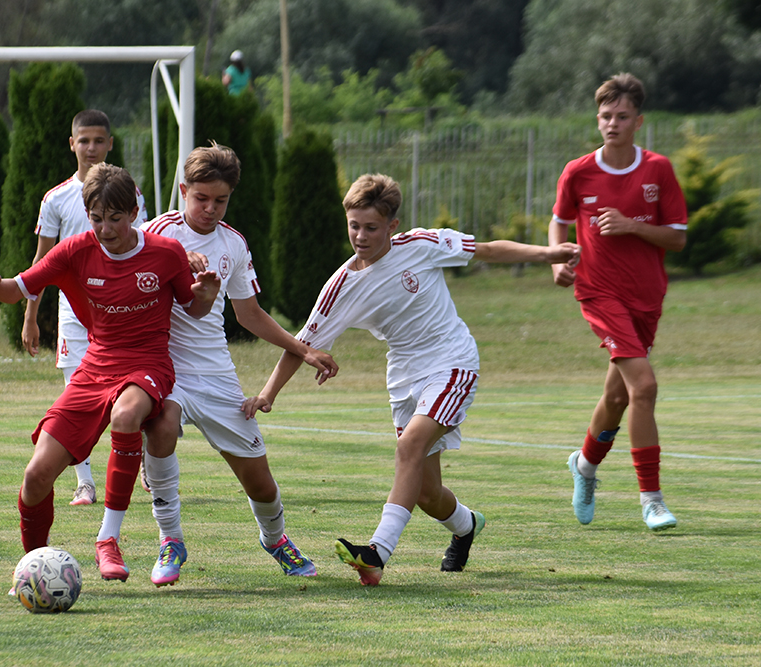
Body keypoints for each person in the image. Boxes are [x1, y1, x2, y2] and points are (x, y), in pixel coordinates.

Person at [242, 173, 581, 586]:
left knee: (409, 447)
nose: (360, 236)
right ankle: (467, 526)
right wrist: (268, 394)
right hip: (404, 377)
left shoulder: (421, 244)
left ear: (392, 225)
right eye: (354, 226)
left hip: (453, 362)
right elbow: (302, 345)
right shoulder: (341, 286)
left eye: (371, 227)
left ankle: (377, 552)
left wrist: (549, 253)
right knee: (426, 493)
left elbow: (488, 249)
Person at [0, 163, 220, 582]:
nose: (105, 228)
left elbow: (192, 308)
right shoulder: (75, 251)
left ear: (133, 213)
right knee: (35, 475)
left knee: (126, 415)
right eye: (97, 218)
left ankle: (107, 539)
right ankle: (36, 570)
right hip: (95, 367)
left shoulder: (165, 253)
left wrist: (205, 296)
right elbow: (14, 290)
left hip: (148, 364)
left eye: (115, 218)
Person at [138, 142, 338, 586]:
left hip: (216, 374)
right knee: (162, 425)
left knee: (260, 482)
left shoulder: (233, 243)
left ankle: (276, 539)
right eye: (201, 198)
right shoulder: (156, 234)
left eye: (221, 200)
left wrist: (303, 349)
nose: (210, 209)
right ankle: (170, 540)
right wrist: (173, 260)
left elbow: (249, 314)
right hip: (165, 369)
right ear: (183, 190)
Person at [548, 73, 687, 532]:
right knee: (643, 386)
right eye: (606, 116)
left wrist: (631, 225)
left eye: (622, 116)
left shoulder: (658, 170)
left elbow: (677, 238)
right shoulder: (578, 171)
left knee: (617, 395)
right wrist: (557, 259)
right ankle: (652, 501)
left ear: (638, 121)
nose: (613, 123)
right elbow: (559, 221)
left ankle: (584, 466)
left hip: (646, 296)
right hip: (598, 292)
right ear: (598, 119)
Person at [23, 109, 147, 507]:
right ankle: (85, 482)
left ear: (110, 144)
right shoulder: (56, 198)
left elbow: (143, 248)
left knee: (134, 390)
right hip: (74, 315)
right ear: (72, 144)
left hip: (122, 313)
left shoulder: (129, 194)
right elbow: (41, 263)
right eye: (84, 140)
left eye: (98, 141)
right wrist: (30, 317)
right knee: (76, 393)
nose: (91, 148)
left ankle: (146, 462)